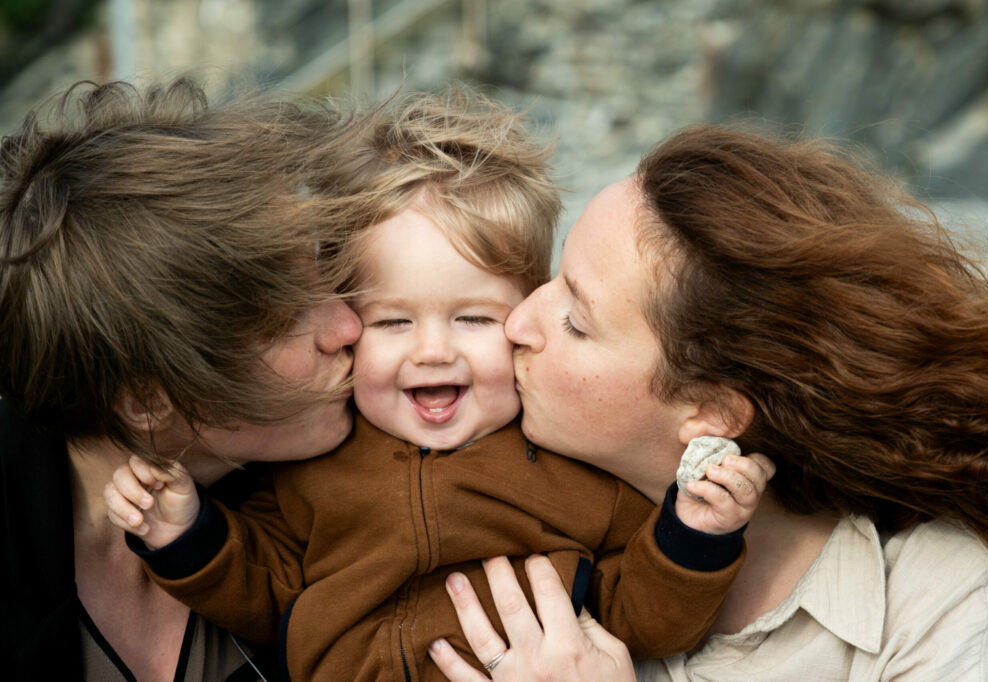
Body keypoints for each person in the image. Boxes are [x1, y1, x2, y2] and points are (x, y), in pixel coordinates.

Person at [104, 92, 774, 682]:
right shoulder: (305, 469)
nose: (431, 351)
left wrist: (696, 534)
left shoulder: (578, 469)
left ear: (524, 313)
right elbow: (264, 594)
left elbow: (645, 621)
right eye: (392, 321)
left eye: (473, 318)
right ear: (348, 323)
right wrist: (186, 534)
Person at [426, 125, 988, 681]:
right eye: (554, 275)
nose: (518, 321)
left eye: (577, 323)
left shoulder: (948, 601)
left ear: (713, 413)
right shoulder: (444, 471)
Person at [0, 79, 364, 681]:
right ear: (147, 400)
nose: (350, 325)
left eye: (321, 272)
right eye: (284, 321)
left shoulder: (376, 465)